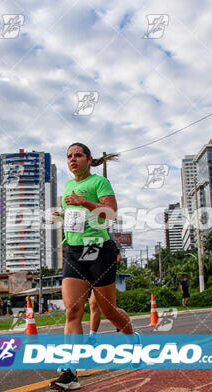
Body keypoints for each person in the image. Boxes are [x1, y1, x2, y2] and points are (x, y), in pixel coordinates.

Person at [50, 143, 138, 391]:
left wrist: (81, 200)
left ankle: (132, 342)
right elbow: (77, 217)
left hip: (99, 250)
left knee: (109, 312)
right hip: (74, 251)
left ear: (89, 159)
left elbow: (109, 214)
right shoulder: (68, 186)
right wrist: (61, 215)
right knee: (72, 311)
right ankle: (70, 371)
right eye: (69, 156)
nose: (72, 159)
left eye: (78, 155)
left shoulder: (99, 183)